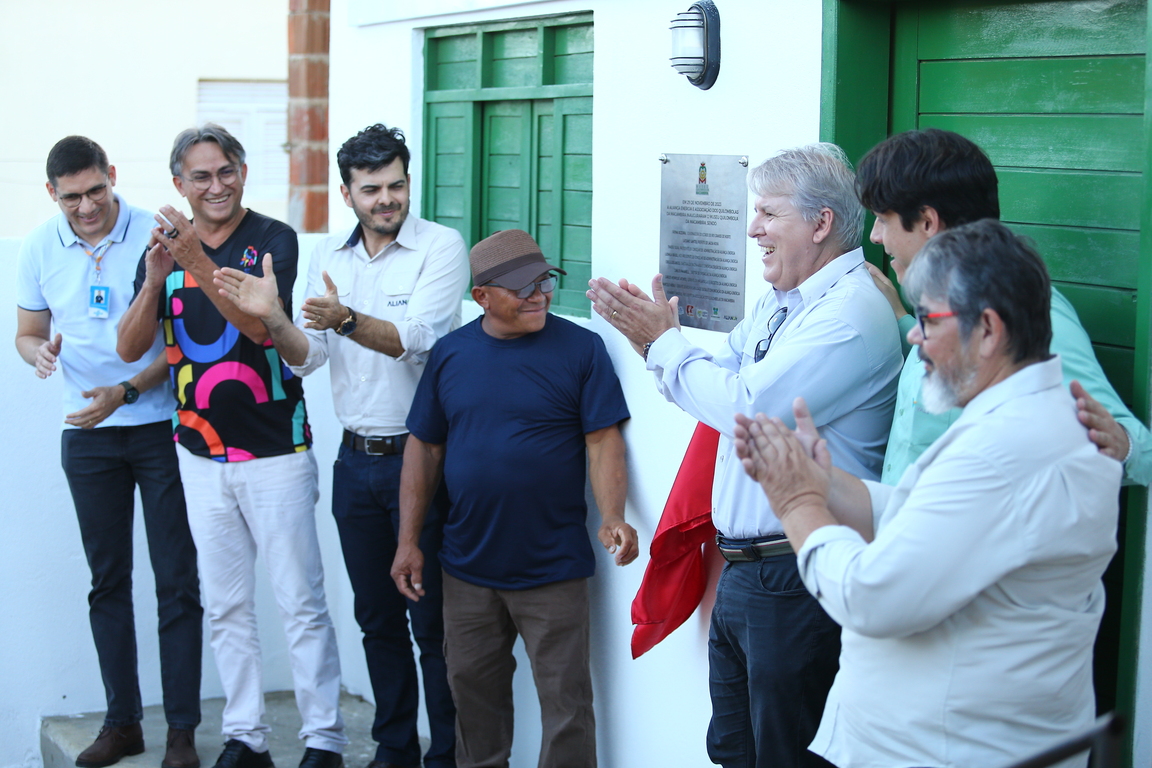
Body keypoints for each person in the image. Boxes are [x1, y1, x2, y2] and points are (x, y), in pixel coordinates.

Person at [734, 219, 1120, 768]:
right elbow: (937, 522)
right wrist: (827, 483)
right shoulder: (1046, 417)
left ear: (987, 331)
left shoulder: (997, 452)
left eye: (925, 319)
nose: (913, 336)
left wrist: (797, 503)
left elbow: (871, 598)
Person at [587, 143, 903, 768]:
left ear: (820, 224)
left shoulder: (849, 314)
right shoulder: (778, 302)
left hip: (796, 577)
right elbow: (710, 380)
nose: (752, 228)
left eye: (768, 213)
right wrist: (663, 346)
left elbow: (742, 404)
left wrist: (664, 346)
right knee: (734, 750)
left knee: (785, 754)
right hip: (748, 573)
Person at [213, 124, 469, 768]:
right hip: (356, 463)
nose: (388, 199)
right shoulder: (331, 256)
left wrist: (347, 319)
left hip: (425, 459)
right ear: (348, 193)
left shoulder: (441, 247)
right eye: (372, 189)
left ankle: (446, 755)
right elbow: (306, 359)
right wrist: (274, 317)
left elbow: (420, 338)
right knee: (377, 619)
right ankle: (393, 749)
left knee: (432, 625)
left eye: (397, 185)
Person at [116, 124, 345, 768]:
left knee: (300, 601)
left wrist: (192, 260)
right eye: (200, 176)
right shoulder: (162, 250)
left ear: (243, 172)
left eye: (225, 172)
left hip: (276, 451)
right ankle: (246, 737)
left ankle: (323, 739)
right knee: (227, 605)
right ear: (178, 185)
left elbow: (262, 328)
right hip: (198, 454)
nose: (215, 186)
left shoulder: (272, 239)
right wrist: (156, 279)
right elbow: (130, 348)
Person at [391, 229, 638, 768]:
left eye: (544, 282)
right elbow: (425, 449)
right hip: (467, 569)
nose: (539, 296)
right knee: (474, 704)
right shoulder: (451, 355)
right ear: (482, 297)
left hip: (553, 568)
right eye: (522, 287)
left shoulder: (580, 348)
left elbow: (603, 441)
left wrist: (614, 515)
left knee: (567, 707)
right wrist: (408, 541)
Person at [15, 136, 204, 768]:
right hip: (86, 435)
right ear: (53, 195)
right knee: (108, 583)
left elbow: (177, 346)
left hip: (159, 429)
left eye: (97, 190)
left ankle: (180, 730)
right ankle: (123, 723)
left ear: (112, 176)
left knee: (177, 582)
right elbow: (27, 331)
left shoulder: (157, 234)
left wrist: (123, 393)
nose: (88, 206)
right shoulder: (41, 244)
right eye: (73, 197)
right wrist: (37, 353)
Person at [857, 127, 1152, 486]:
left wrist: (1121, 447)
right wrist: (905, 321)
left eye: (883, 220)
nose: (875, 236)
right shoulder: (933, 306)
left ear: (927, 222)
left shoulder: (1029, 313)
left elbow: (1135, 449)